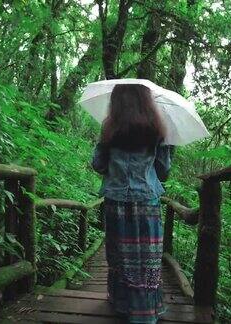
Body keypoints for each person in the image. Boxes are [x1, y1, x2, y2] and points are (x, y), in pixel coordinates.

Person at [91, 84, 172, 323]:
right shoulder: (157, 130)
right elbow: (164, 171)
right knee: (147, 256)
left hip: (116, 202)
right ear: (147, 101)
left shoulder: (109, 129)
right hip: (147, 200)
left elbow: (98, 165)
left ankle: (121, 304)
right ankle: (144, 312)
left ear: (117, 101)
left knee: (120, 255)